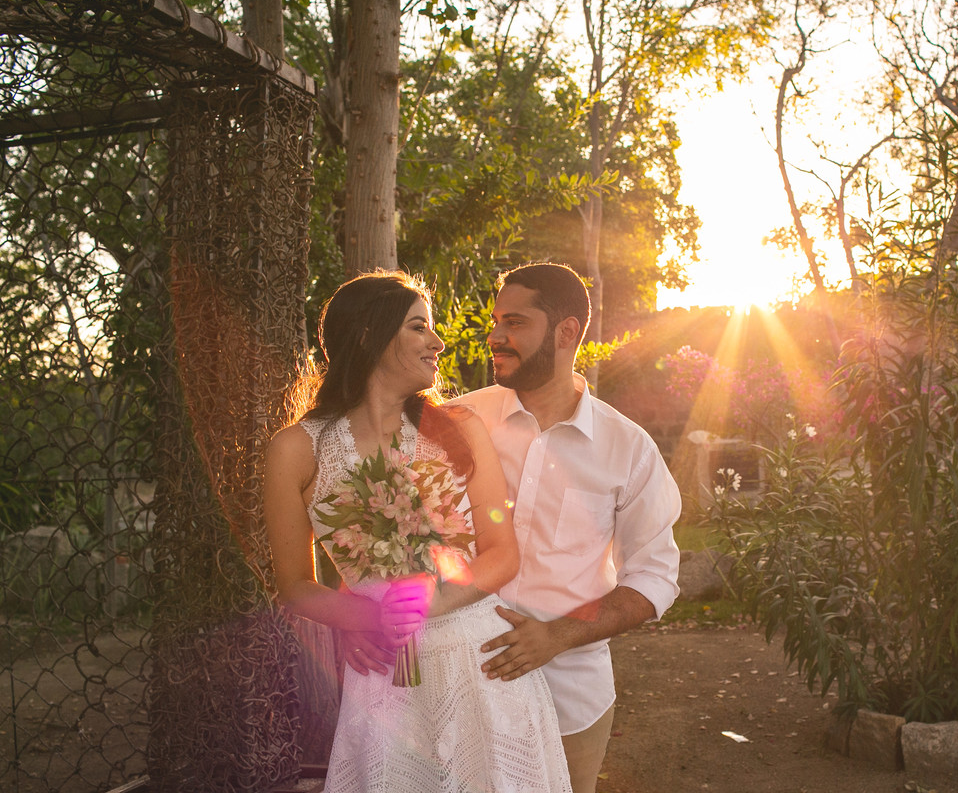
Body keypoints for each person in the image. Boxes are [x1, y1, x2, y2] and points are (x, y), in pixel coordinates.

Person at [263, 270, 571, 793]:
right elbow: (294, 585)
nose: (438, 341)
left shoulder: (460, 427)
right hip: (384, 682)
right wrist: (368, 618)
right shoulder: (295, 449)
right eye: (418, 326)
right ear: (369, 335)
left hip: (483, 667)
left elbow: (502, 555)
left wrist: (428, 602)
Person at [456, 262, 683, 793]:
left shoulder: (628, 448)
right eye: (496, 321)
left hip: (569, 703)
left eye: (514, 322)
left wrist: (557, 635)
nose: (495, 336)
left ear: (566, 332)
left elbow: (654, 577)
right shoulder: (457, 421)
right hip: (455, 693)